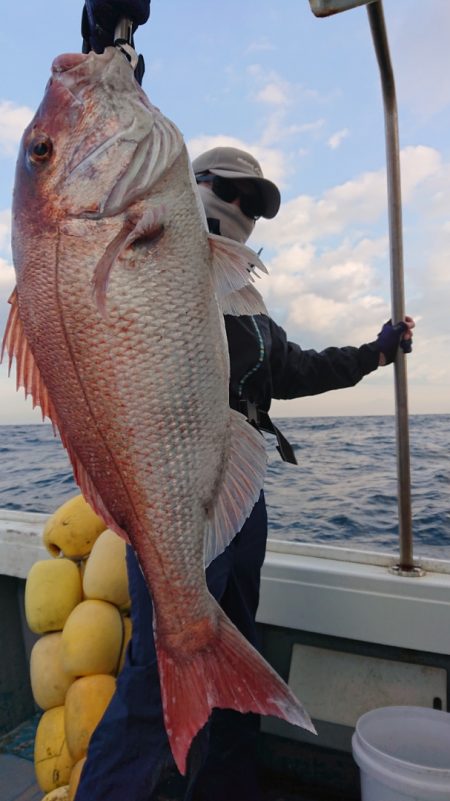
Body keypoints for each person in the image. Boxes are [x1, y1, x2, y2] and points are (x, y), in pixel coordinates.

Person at [75, 6, 415, 801]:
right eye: (231, 192)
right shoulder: (155, 256)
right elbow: (109, 150)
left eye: (255, 204)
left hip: (239, 501)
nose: (244, 211)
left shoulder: (250, 309)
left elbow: (297, 368)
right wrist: (111, 45)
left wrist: (373, 352)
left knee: (236, 670)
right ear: (188, 188)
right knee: (156, 693)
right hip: (171, 504)